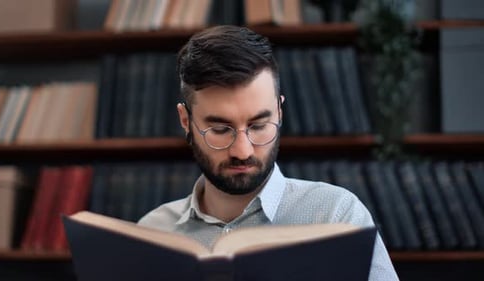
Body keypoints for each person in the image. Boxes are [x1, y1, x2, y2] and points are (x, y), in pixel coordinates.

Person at [138, 25, 399, 280]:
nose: (242, 150)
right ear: (186, 121)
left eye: (259, 126)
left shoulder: (336, 215)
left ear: (280, 112)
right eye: (220, 129)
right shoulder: (153, 232)